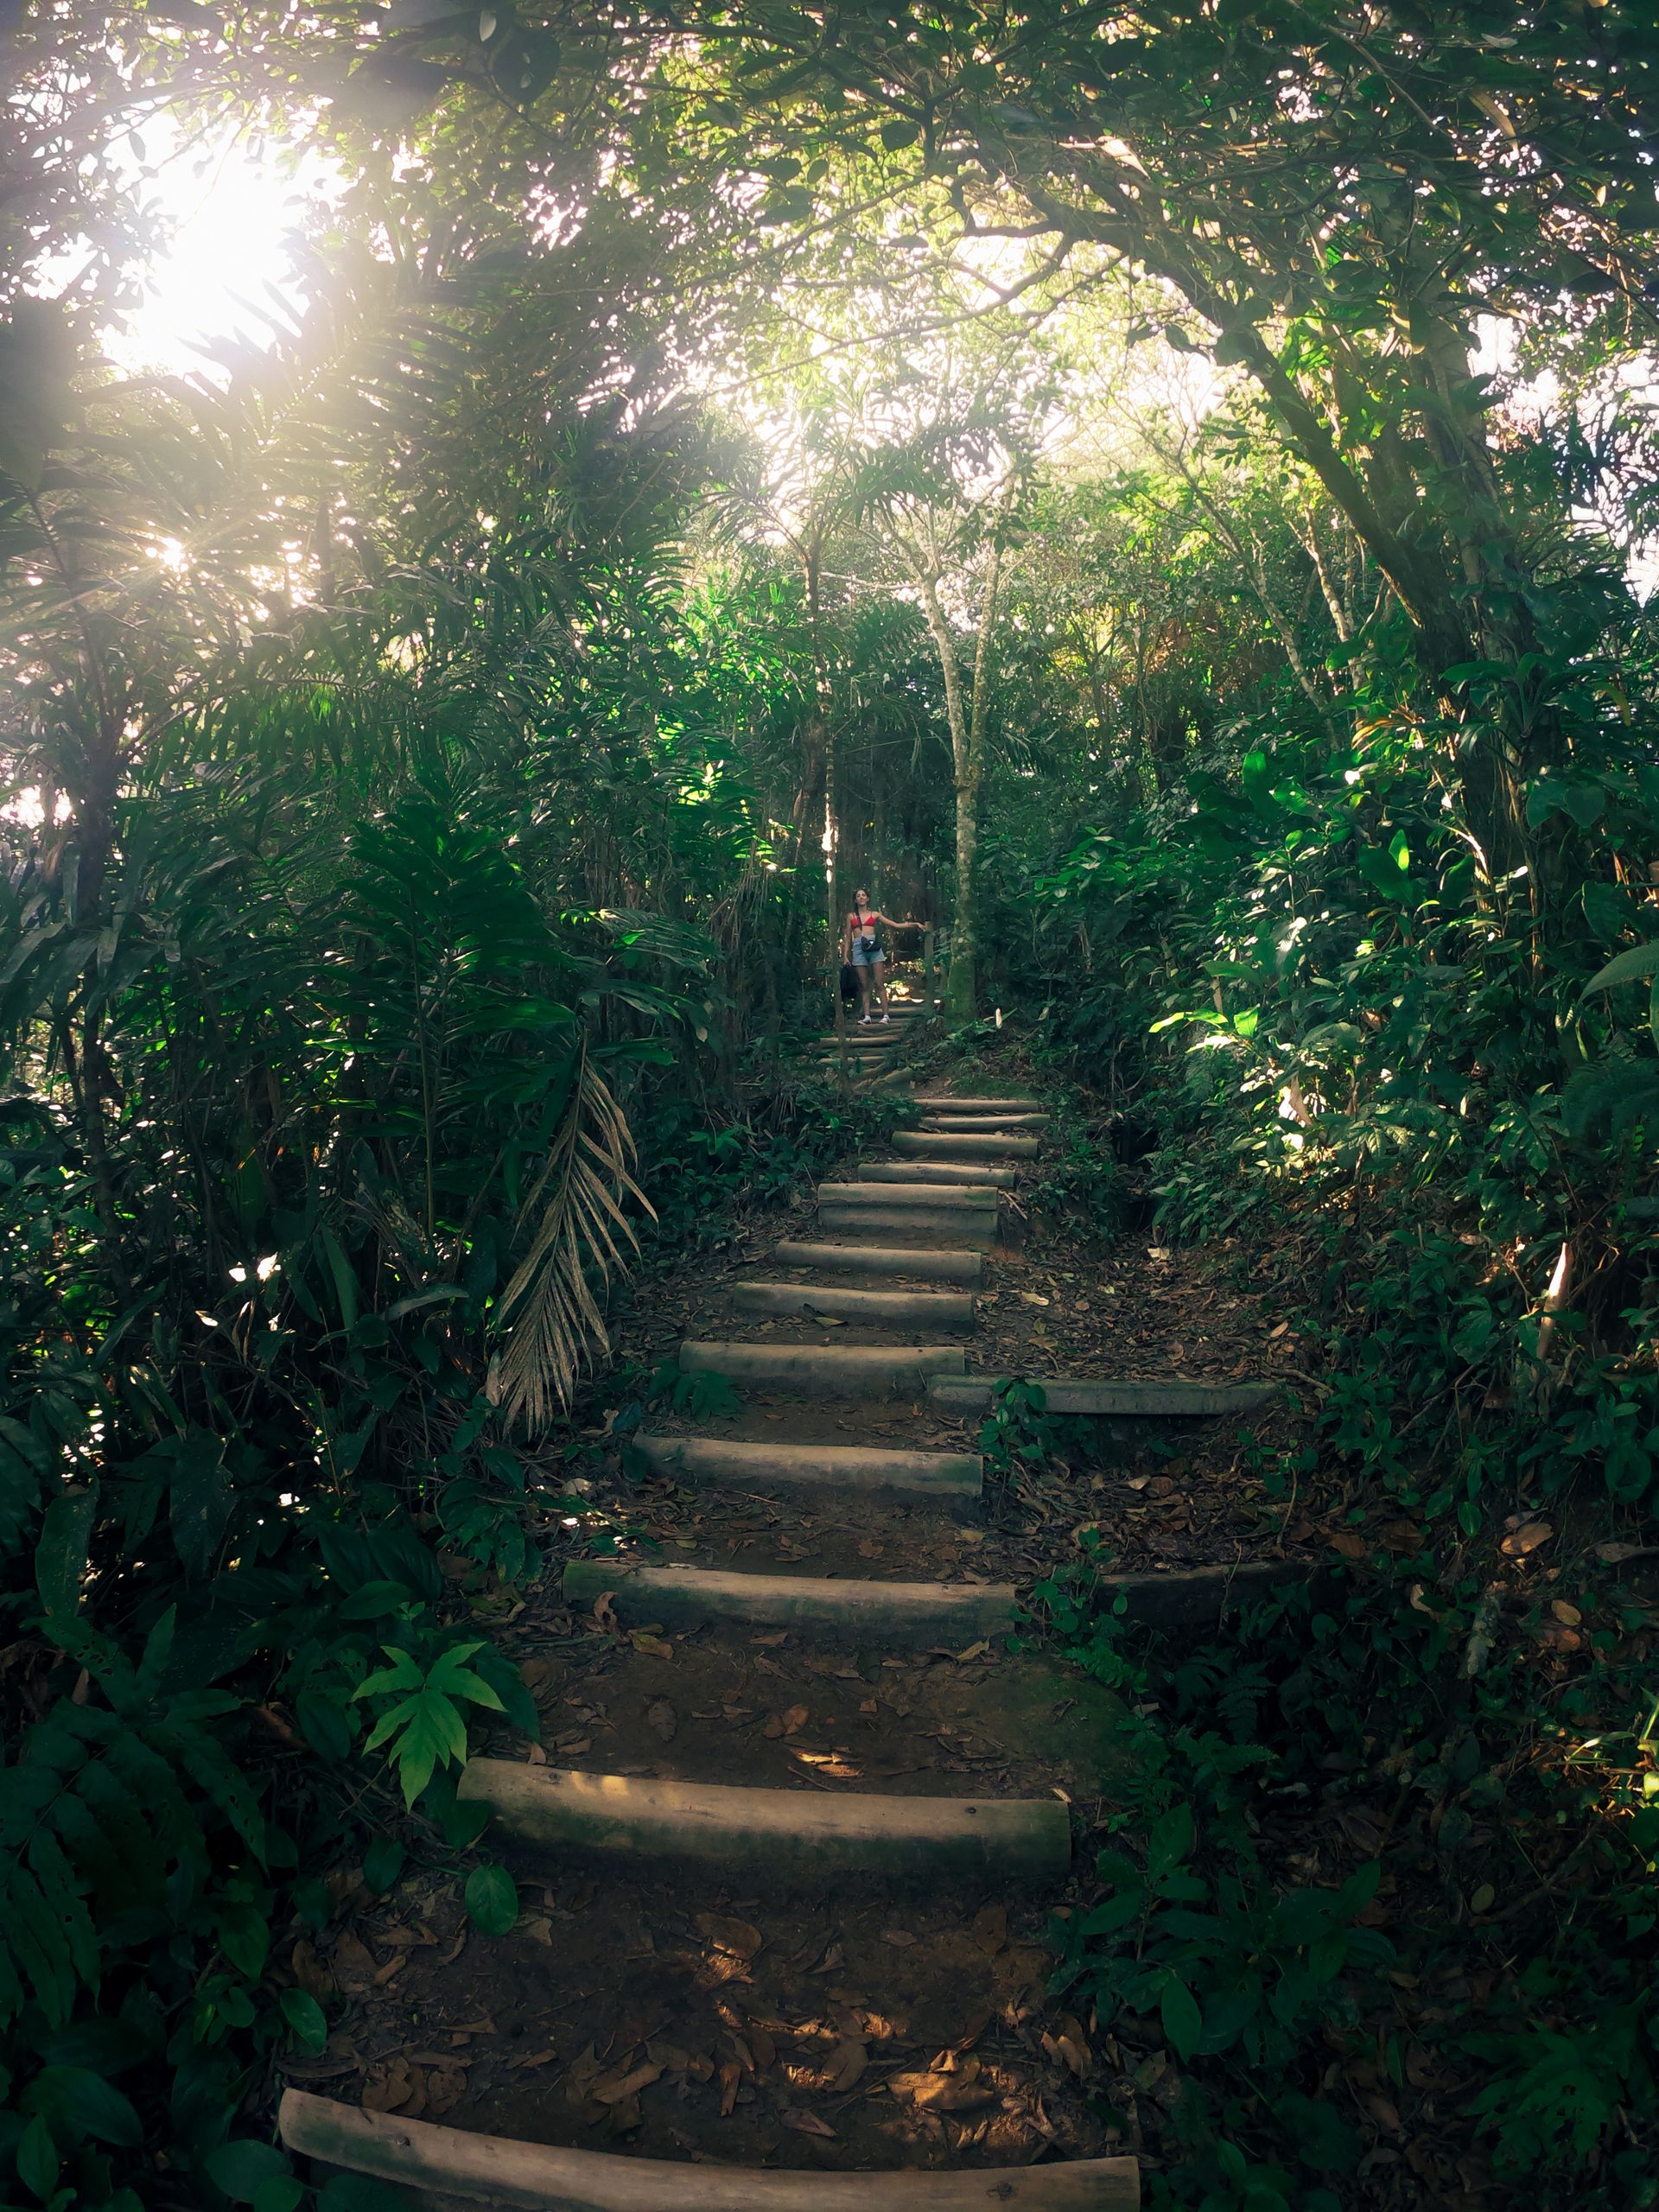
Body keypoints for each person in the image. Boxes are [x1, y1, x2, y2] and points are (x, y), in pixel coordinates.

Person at [842, 888, 914, 1023]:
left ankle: (885, 1015)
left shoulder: (875, 914)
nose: (861, 897)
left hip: (874, 947)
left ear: (868, 898)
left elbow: (895, 925)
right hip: (858, 948)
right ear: (855, 900)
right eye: (858, 896)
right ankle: (867, 1016)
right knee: (863, 985)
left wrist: (914, 924)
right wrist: (845, 956)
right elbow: (847, 937)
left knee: (880, 983)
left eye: (863, 895)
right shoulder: (851, 916)